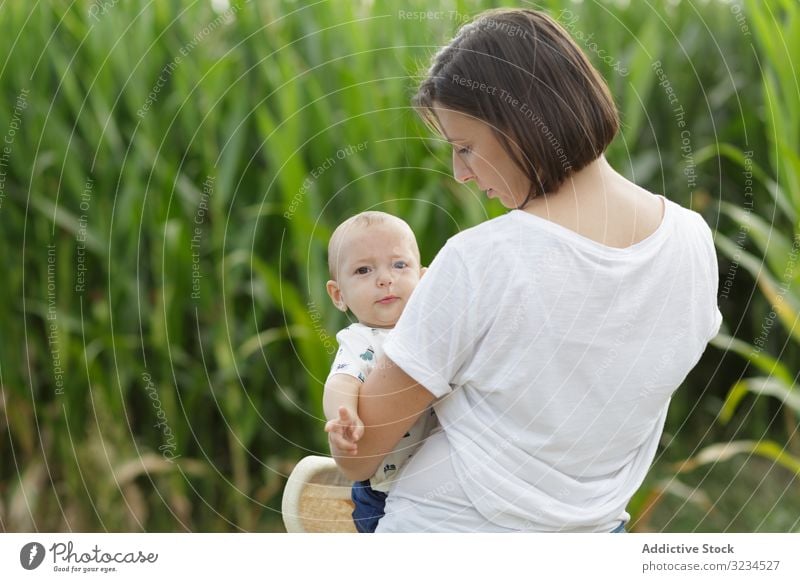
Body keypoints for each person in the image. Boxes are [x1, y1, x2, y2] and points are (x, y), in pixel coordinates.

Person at [326, 8, 722, 532]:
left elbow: (358, 455)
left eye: (464, 147)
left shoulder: (483, 259)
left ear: (521, 122)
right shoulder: (692, 239)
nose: (459, 174)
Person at [323, 210, 437, 532]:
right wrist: (344, 418)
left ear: (424, 277)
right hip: (383, 493)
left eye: (399, 265)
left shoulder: (436, 331)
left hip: (440, 485)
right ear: (338, 295)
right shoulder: (363, 339)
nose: (385, 278)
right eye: (363, 270)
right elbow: (342, 380)